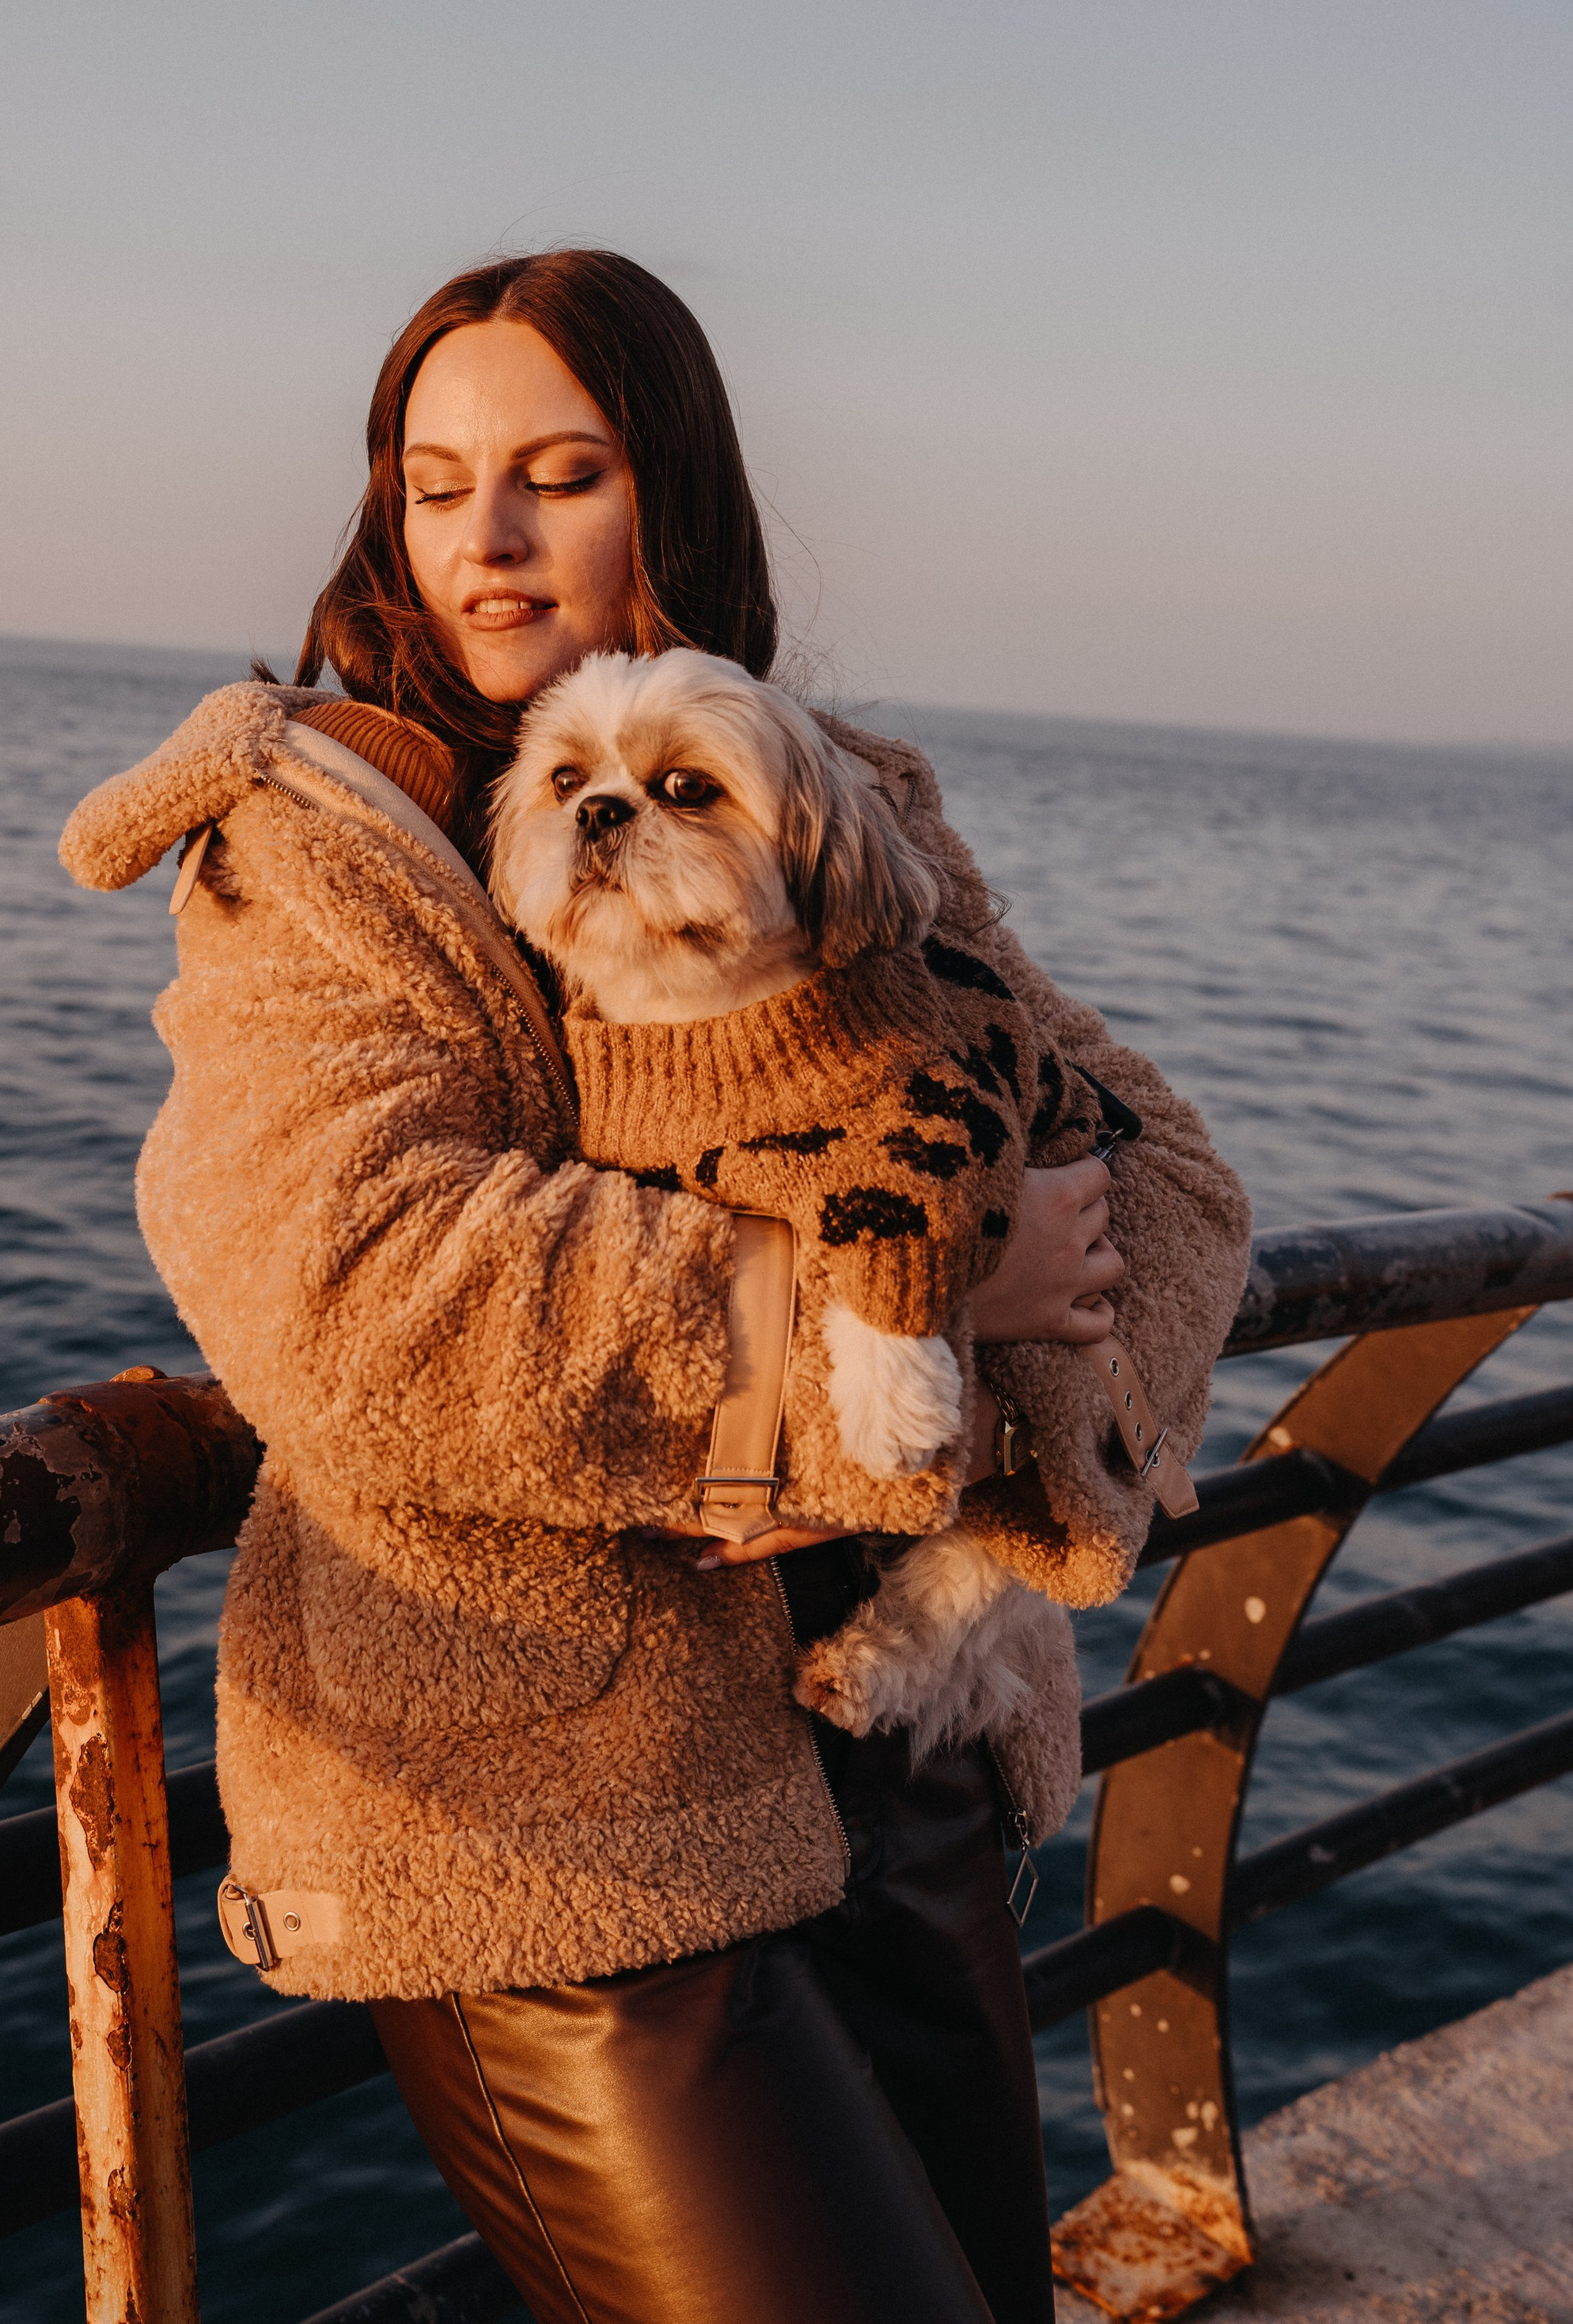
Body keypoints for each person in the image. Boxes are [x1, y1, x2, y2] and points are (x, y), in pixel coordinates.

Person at [61, 249, 1251, 2324]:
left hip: (899, 1756)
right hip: (562, 1818)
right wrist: (900, 1314)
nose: (488, 537)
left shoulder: (838, 791)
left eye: (559, 470)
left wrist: (1028, 1445)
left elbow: (1155, 1168)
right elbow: (350, 1291)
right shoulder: (321, 842)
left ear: (670, 497)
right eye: (436, 483)